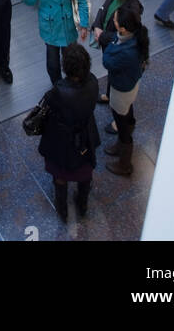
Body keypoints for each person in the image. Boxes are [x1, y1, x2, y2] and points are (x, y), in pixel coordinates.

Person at [38, 42, 100, 222]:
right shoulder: (93, 83)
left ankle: (62, 207)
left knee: (60, 174)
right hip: (85, 136)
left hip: (62, 141)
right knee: (85, 172)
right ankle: (82, 203)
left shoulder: (58, 91)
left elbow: (48, 109)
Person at [103, 2, 150, 176]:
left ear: (122, 29)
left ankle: (124, 163)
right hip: (131, 86)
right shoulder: (136, 39)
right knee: (127, 112)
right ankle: (121, 144)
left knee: (120, 120)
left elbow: (107, 61)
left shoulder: (124, 51)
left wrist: (111, 42)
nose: (113, 22)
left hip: (121, 90)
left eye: (115, 21)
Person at [92, 0, 143, 102]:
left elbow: (124, 35)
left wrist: (102, 36)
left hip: (113, 44)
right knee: (112, 70)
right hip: (105, 38)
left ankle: (111, 96)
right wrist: (97, 25)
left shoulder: (132, 11)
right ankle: (110, 94)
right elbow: (103, 8)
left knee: (114, 69)